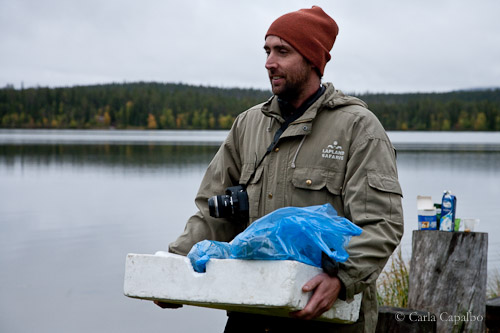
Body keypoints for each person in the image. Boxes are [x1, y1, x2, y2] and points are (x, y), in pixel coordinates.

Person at [160, 6, 404, 333]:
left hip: (325, 319)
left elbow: (383, 223)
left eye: (282, 51)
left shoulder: (358, 128)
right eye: (267, 51)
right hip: (250, 316)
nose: (269, 62)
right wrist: (174, 266)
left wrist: (342, 278)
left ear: (312, 59)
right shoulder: (247, 125)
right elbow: (210, 214)